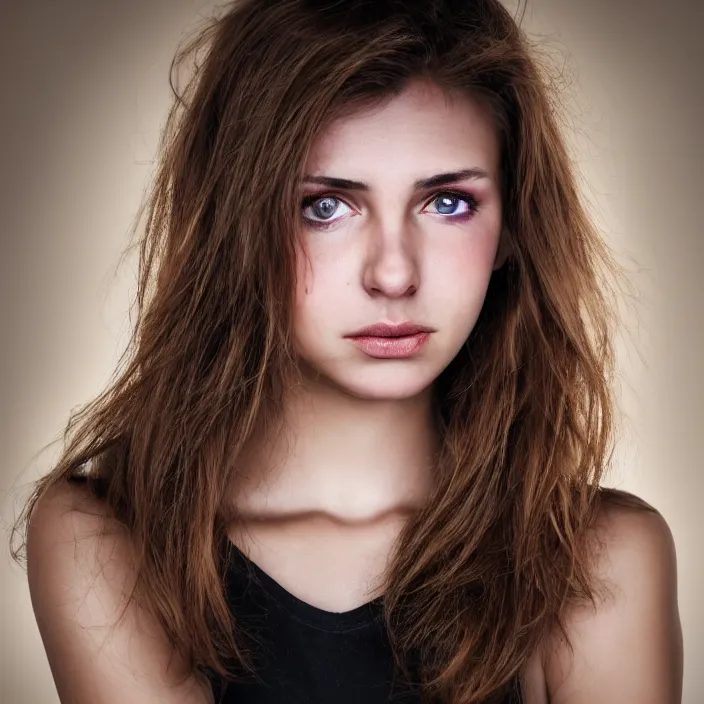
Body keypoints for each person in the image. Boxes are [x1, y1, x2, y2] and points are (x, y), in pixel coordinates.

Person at [10, 0, 683, 702]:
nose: (393, 274)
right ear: (239, 224)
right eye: (326, 206)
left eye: (448, 202)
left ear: (512, 228)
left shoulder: (599, 560)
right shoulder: (109, 537)